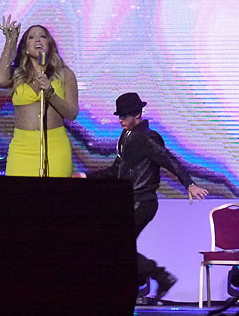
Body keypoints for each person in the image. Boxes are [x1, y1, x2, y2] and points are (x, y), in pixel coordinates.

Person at [75, 92, 209, 301]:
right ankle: (156, 278)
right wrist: (86, 176)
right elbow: (116, 170)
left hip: (142, 201)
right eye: (119, 115)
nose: (121, 120)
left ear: (137, 114)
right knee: (114, 246)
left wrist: (189, 184)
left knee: (117, 245)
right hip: (129, 200)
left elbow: (169, 160)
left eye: (125, 116)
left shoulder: (148, 137)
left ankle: (160, 276)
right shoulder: (126, 136)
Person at [0, 15, 79, 177]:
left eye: (43, 36)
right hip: (22, 148)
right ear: (25, 48)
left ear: (50, 44)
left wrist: (50, 93)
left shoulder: (65, 75)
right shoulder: (17, 75)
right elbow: (0, 80)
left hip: (55, 147)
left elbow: (72, 113)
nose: (38, 40)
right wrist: (10, 41)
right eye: (31, 37)